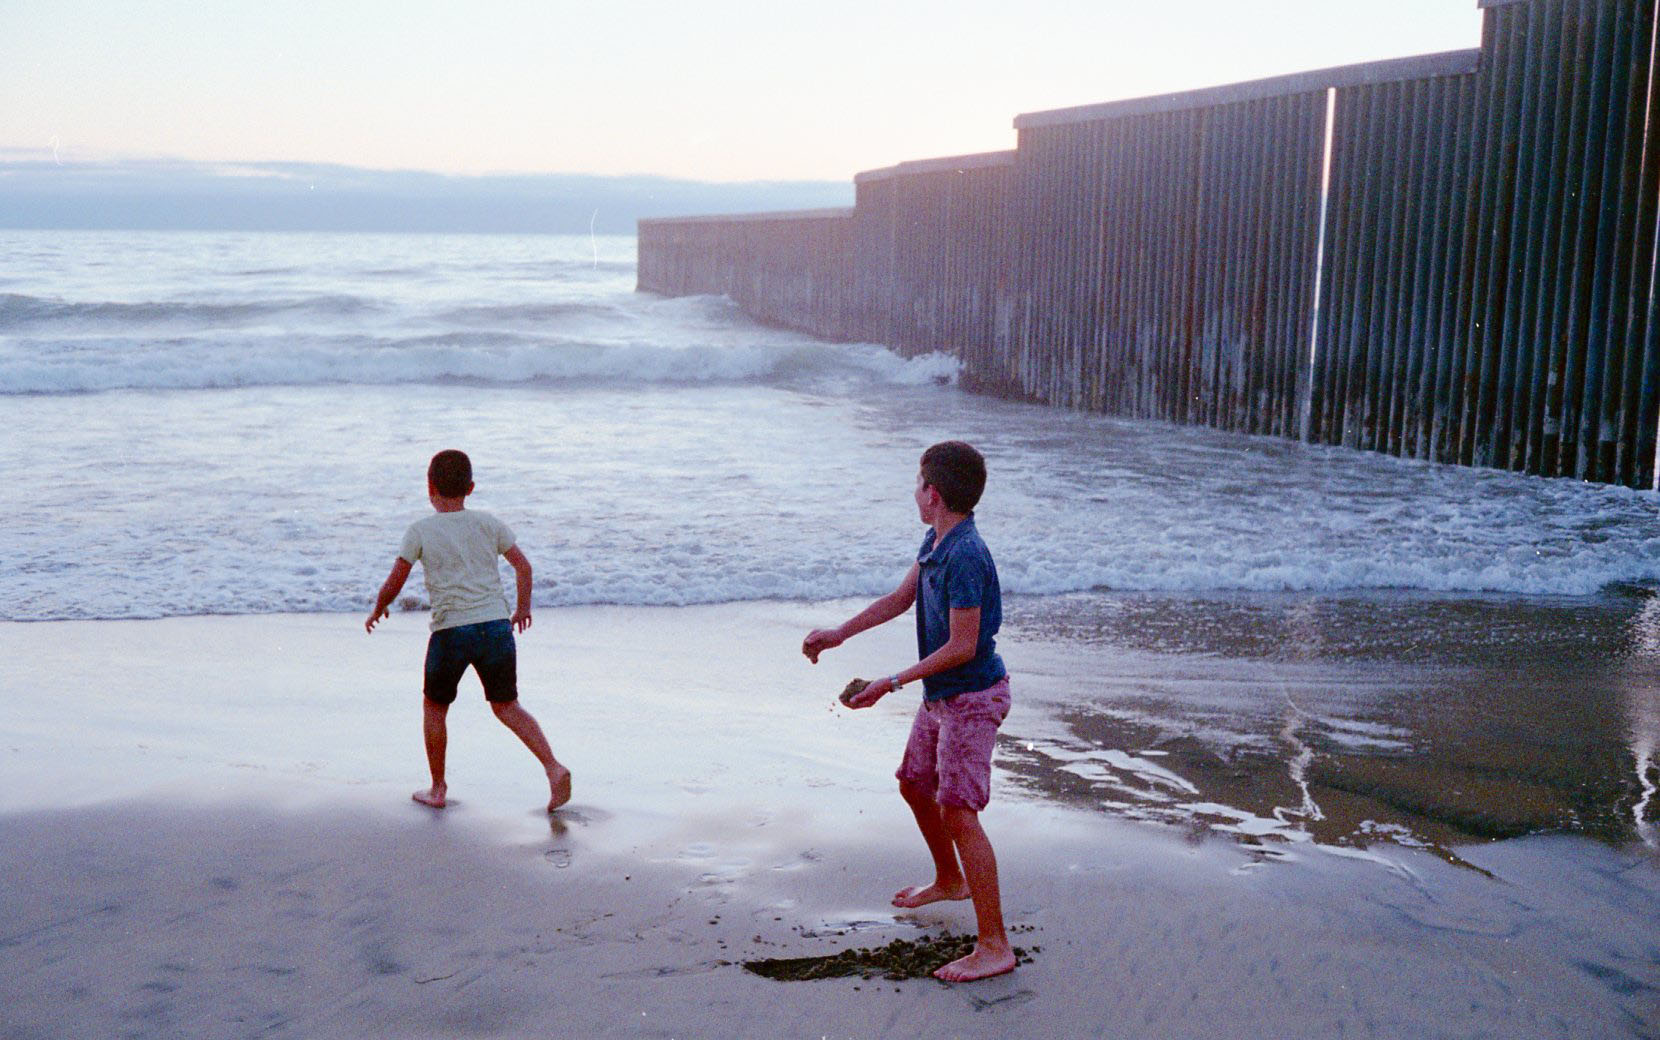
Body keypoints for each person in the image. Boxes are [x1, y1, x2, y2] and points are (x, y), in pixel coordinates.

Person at [802, 440, 1015, 983]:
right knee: (915, 783)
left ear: (933, 493)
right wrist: (839, 634)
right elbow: (902, 598)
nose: (914, 493)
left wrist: (889, 682)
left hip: (970, 699)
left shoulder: (966, 555)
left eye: (918, 484)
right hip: (941, 696)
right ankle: (950, 879)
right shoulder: (937, 540)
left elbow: (964, 646)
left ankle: (994, 944)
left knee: (959, 811)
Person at [366, 449, 572, 813]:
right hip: (495, 627)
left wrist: (380, 606)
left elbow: (396, 579)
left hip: (451, 633)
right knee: (507, 706)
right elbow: (523, 568)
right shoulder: (488, 523)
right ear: (471, 487)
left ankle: (438, 787)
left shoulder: (420, 531)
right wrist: (523, 608)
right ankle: (553, 768)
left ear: (429, 488)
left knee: (435, 707)